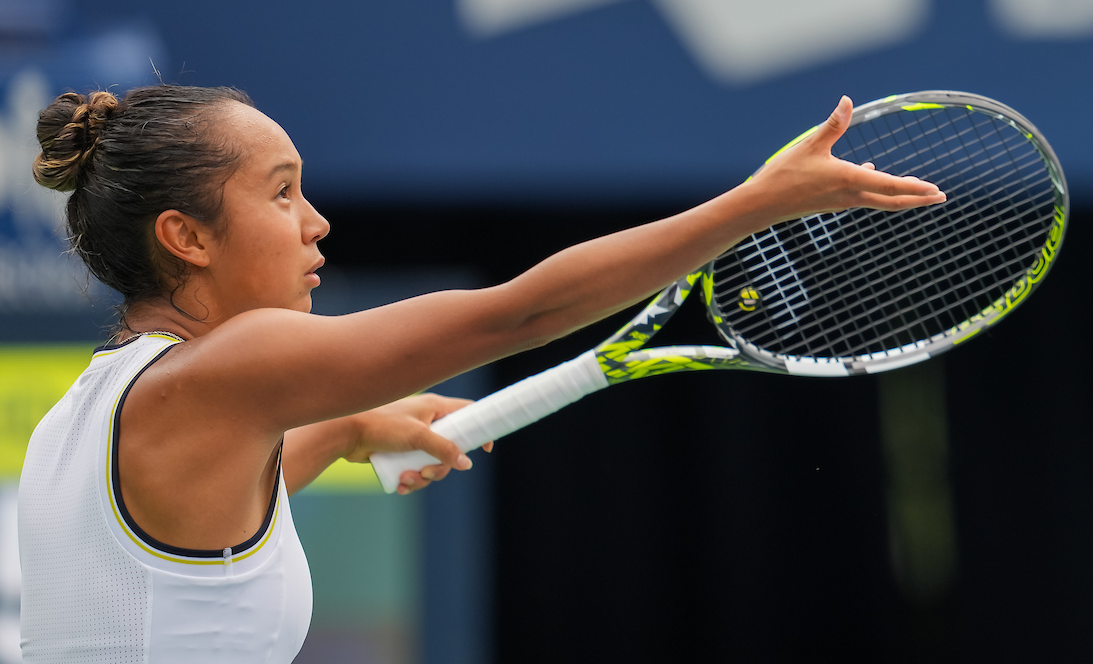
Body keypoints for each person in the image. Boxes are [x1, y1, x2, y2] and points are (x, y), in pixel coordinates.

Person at [17, 84, 944, 662]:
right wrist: (752, 204)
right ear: (185, 238)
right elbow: (523, 312)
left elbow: (190, 571)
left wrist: (344, 428)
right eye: (282, 190)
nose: (316, 222)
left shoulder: (85, 418)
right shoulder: (236, 368)